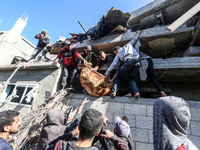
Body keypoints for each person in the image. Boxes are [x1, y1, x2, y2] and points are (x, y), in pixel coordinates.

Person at [45, 109, 128, 150]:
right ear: (97, 132)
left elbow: (46, 147)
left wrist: (70, 134)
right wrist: (113, 137)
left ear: (79, 126)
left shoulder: (60, 146)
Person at [104, 31, 141, 99]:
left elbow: (113, 64)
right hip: (137, 62)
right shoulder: (128, 45)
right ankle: (136, 93)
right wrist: (138, 33)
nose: (115, 54)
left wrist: (106, 73)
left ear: (117, 49)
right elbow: (134, 39)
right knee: (130, 78)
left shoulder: (119, 53)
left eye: (115, 53)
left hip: (128, 62)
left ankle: (114, 92)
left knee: (117, 77)